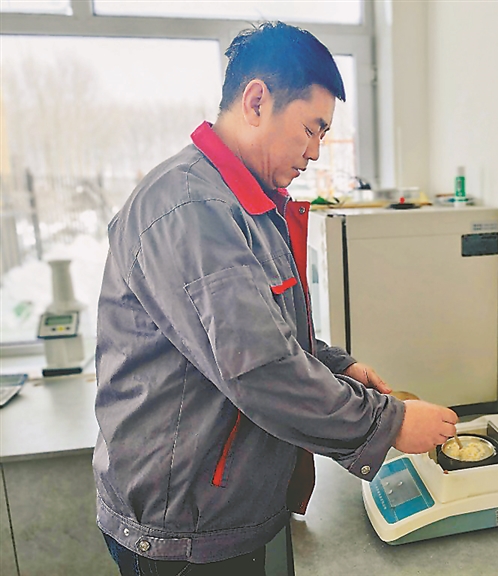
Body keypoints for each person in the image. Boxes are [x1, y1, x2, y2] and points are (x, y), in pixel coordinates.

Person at [93, 21, 458, 576]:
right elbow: (261, 369)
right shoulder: (192, 209)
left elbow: (266, 330)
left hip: (226, 507)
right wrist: (391, 423)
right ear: (257, 101)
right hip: (183, 532)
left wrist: (337, 365)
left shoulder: (247, 204)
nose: (315, 152)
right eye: (311, 129)